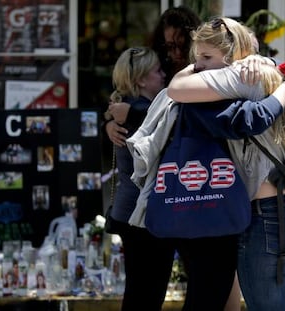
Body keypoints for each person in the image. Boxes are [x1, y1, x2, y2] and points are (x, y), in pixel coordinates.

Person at [127, 17, 285, 311]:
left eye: (206, 57)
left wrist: (265, 69)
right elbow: (247, 118)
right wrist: (283, 88)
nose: (199, 64)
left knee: (210, 295)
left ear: (231, 56)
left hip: (206, 206)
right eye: (196, 57)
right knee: (212, 294)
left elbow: (245, 113)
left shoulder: (221, 86)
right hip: (227, 209)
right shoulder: (222, 87)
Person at [104, 46, 174, 311]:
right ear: (142, 79)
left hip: (129, 211)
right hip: (144, 214)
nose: (163, 74)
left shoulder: (127, 108)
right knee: (148, 294)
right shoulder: (141, 112)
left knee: (139, 291)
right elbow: (170, 125)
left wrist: (108, 121)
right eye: (157, 70)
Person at [105, 6, 201, 147]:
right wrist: (109, 125)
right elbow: (121, 98)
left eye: (183, 45)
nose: (178, 53)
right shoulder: (157, 68)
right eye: (170, 46)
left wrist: (132, 114)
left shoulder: (204, 71)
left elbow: (192, 118)